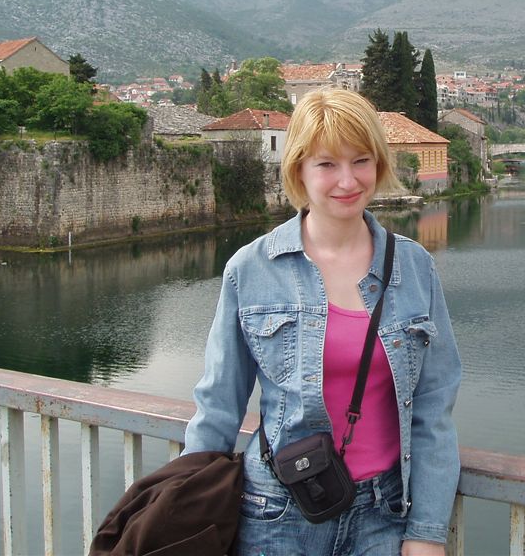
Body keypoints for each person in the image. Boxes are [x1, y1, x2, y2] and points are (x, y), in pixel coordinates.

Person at [184, 88, 462, 556]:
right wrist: (186, 517)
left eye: (361, 161)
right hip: (277, 512)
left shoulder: (414, 267)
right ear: (299, 170)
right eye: (327, 164)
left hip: (383, 514)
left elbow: (434, 406)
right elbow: (218, 406)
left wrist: (427, 531)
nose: (347, 180)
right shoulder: (251, 269)